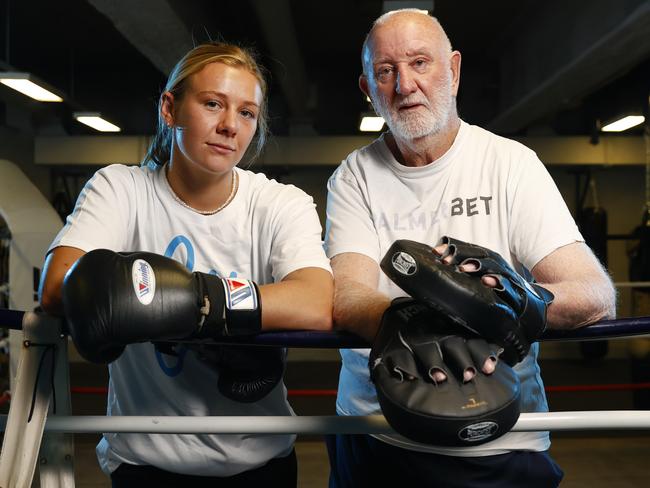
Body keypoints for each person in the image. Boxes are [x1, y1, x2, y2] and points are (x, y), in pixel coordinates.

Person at [324, 9, 616, 488]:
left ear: (454, 71)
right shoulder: (354, 176)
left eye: (421, 63)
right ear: (368, 89)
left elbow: (595, 292)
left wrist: (516, 300)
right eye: (386, 71)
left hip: (503, 438)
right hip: (378, 432)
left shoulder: (510, 164)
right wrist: (424, 319)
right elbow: (347, 293)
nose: (404, 85)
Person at [39, 42, 333, 487]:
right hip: (145, 462)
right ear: (170, 109)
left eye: (247, 113)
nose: (230, 126)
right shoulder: (122, 189)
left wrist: (199, 302)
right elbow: (59, 283)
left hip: (261, 460)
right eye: (213, 103)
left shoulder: (279, 203)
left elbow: (316, 301)